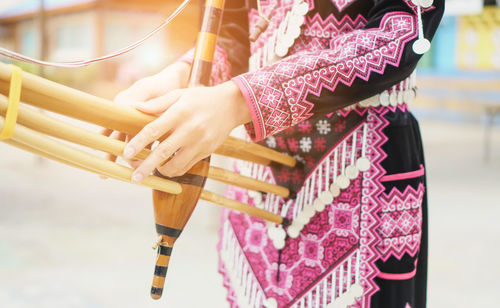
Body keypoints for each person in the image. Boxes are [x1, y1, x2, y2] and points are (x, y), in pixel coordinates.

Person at [103, 0, 444, 307]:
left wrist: (238, 101)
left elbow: (395, 38)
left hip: (362, 169)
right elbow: (235, 34)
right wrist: (179, 78)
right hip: (260, 180)